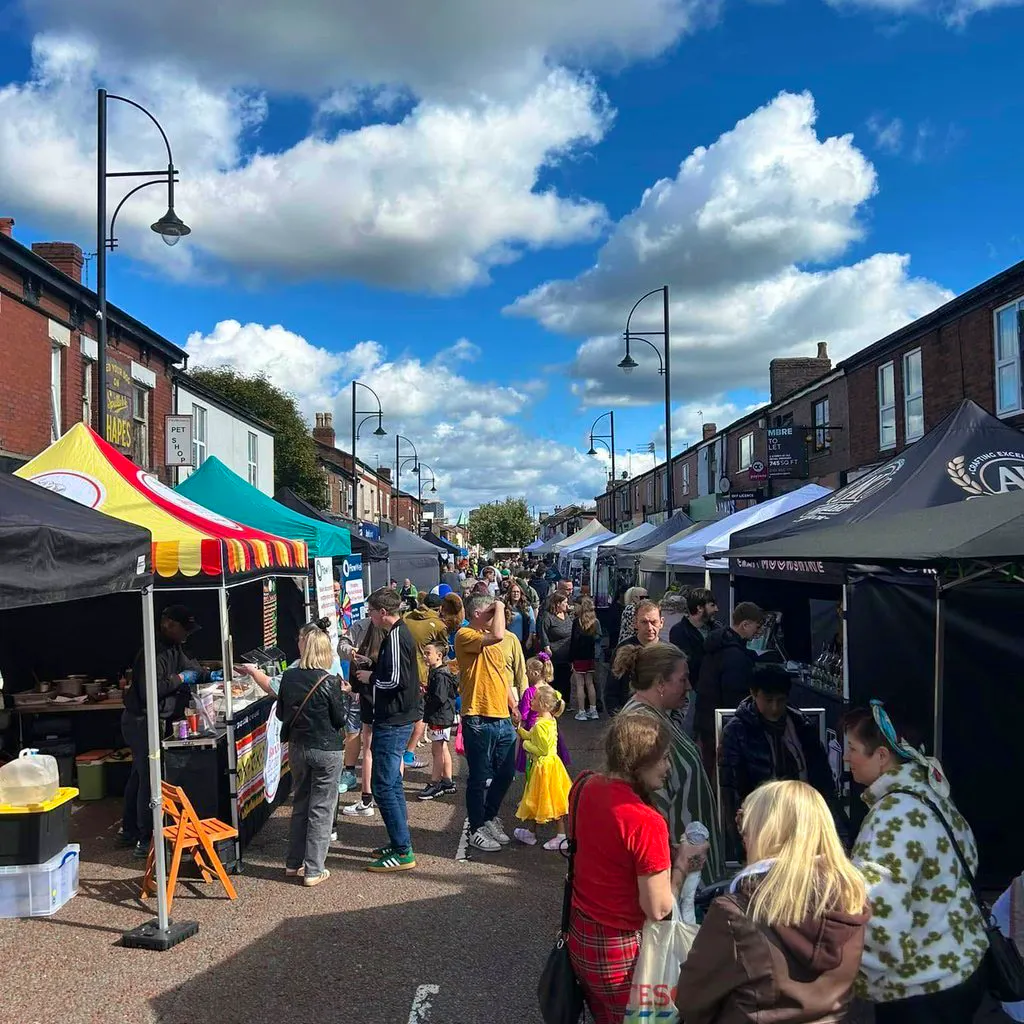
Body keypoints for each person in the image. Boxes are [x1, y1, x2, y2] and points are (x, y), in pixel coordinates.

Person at [676, 780, 870, 1023]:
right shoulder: (853, 899)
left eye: (746, 823)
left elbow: (690, 1000)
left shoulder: (735, 913)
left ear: (766, 831)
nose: (743, 833)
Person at [844, 702, 988, 1022]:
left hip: (921, 991)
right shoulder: (932, 794)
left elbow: (879, 920)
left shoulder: (892, 818)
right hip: (963, 968)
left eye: (852, 748)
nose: (845, 757)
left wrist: (849, 976)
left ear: (881, 756)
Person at [567, 715, 709, 1024]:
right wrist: (682, 864)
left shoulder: (584, 785)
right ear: (641, 760)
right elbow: (657, 908)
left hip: (581, 936)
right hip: (621, 953)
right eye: (664, 758)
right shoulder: (645, 821)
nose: (669, 767)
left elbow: (604, 851)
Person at [617, 642, 724, 883]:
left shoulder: (654, 716)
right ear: (660, 682)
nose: (688, 687)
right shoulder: (642, 724)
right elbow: (648, 804)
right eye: (682, 679)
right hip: (675, 871)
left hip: (685, 865)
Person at [120, 604, 215, 857]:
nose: (187, 635)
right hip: (141, 720)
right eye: (184, 629)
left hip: (156, 719)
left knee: (140, 775)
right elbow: (149, 691)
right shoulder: (152, 653)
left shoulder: (175, 648)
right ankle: (144, 837)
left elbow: (192, 668)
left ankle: (128, 829)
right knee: (148, 777)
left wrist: (211, 674)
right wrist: (181, 679)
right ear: (168, 624)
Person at [718, 663, 837, 861]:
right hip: (762, 822)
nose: (774, 708)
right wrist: (738, 839)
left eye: (780, 701)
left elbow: (822, 778)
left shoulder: (802, 726)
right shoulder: (736, 731)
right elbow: (729, 788)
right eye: (768, 700)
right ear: (754, 694)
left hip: (802, 818)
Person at [352, 588, 420, 872]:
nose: (369, 616)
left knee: (383, 785)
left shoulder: (395, 637)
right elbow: (396, 672)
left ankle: (403, 850)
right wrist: (374, 664)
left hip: (393, 719)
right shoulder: (399, 634)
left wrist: (370, 676)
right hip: (400, 717)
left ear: (382, 612)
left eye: (370, 611)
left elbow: (393, 681)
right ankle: (399, 841)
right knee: (391, 783)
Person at [278, 627, 351, 886]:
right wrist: (346, 696)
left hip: (298, 746)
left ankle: (293, 862)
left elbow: (280, 715)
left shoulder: (288, 677)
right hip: (327, 749)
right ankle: (313, 869)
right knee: (321, 809)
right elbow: (340, 719)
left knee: (300, 803)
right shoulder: (330, 681)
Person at [455, 593, 521, 853]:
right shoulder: (466, 635)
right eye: (490, 612)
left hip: (502, 716)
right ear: (475, 615)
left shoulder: (493, 639)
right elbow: (496, 635)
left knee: (505, 774)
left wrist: (513, 704)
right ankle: (475, 829)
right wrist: (501, 604)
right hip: (478, 717)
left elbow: (501, 675)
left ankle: (489, 817)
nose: (496, 616)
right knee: (479, 778)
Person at [695, 601, 765, 781]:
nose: (758, 633)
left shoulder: (718, 645)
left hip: (707, 718)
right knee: (719, 776)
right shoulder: (735, 655)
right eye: (756, 627)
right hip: (720, 724)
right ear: (745, 624)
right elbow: (735, 695)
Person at [512, 683, 572, 850]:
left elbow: (541, 749)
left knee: (549, 800)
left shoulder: (540, 725)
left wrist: (525, 746)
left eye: (536, 699)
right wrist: (518, 728)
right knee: (537, 798)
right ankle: (531, 832)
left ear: (544, 705)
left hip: (544, 767)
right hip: (548, 765)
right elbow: (531, 735)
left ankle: (560, 836)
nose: (532, 700)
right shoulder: (548, 720)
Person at [341, 620, 385, 817]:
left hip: (373, 695)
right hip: (363, 692)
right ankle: (351, 774)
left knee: (370, 746)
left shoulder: (394, 632)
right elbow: (342, 645)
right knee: (357, 734)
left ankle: (369, 799)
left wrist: (370, 677)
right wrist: (351, 650)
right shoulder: (360, 626)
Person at [402, 595, 448, 770]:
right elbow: (443, 650)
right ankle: (408, 754)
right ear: (439, 609)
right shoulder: (438, 625)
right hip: (423, 675)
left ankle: (398, 753)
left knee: (404, 714)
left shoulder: (406, 617)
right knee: (421, 716)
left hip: (402, 672)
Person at [516, 653, 571, 775]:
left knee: (531, 763)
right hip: (550, 727)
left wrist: (517, 722)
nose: (525, 674)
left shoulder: (530, 692)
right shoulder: (551, 690)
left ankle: (533, 787)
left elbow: (524, 714)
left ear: (534, 673)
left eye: (527, 671)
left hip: (533, 729)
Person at [606, 598, 664, 714]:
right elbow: (611, 689)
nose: (649, 628)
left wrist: (674, 721)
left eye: (654, 622)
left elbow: (681, 692)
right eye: (644, 622)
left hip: (661, 719)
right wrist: (619, 718)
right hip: (630, 717)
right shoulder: (623, 649)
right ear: (635, 623)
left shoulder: (668, 652)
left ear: (661, 622)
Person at [417, 640, 457, 802]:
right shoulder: (441, 672)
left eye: (428, 653)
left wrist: (426, 696)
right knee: (443, 748)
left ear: (439, 656)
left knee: (437, 750)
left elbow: (439, 697)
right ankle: (447, 780)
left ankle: (436, 783)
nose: (425, 656)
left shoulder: (440, 675)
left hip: (439, 716)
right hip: (443, 715)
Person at [569, 596, 602, 721]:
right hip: (591, 656)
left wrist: (571, 659)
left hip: (579, 657)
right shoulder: (595, 621)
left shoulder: (577, 622)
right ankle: (593, 710)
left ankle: (582, 711)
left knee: (580, 685)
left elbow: (574, 642)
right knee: (590, 683)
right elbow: (598, 639)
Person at [537, 590, 573, 702]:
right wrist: (546, 647)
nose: (567, 605)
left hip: (568, 653)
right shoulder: (548, 617)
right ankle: (554, 701)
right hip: (555, 653)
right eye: (565, 602)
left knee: (567, 678)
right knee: (555, 679)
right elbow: (543, 633)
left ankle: (565, 701)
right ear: (558, 604)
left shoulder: (566, 615)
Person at [504, 581, 536, 654]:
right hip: (508, 642)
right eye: (514, 592)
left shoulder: (527, 607)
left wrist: (530, 639)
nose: (516, 594)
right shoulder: (505, 607)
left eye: (518, 592)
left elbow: (532, 623)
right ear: (510, 593)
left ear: (521, 593)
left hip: (524, 641)